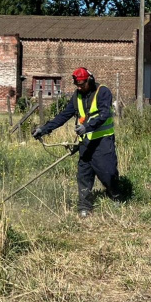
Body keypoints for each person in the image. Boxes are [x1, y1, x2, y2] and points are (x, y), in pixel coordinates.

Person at [32, 67, 121, 217]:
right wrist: (45, 129)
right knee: (84, 175)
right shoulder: (77, 95)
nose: (79, 87)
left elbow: (105, 113)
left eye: (82, 84)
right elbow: (64, 115)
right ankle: (84, 206)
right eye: (77, 85)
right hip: (85, 143)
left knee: (108, 173)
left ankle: (116, 196)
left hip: (102, 141)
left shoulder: (103, 92)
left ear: (90, 80)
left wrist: (87, 126)